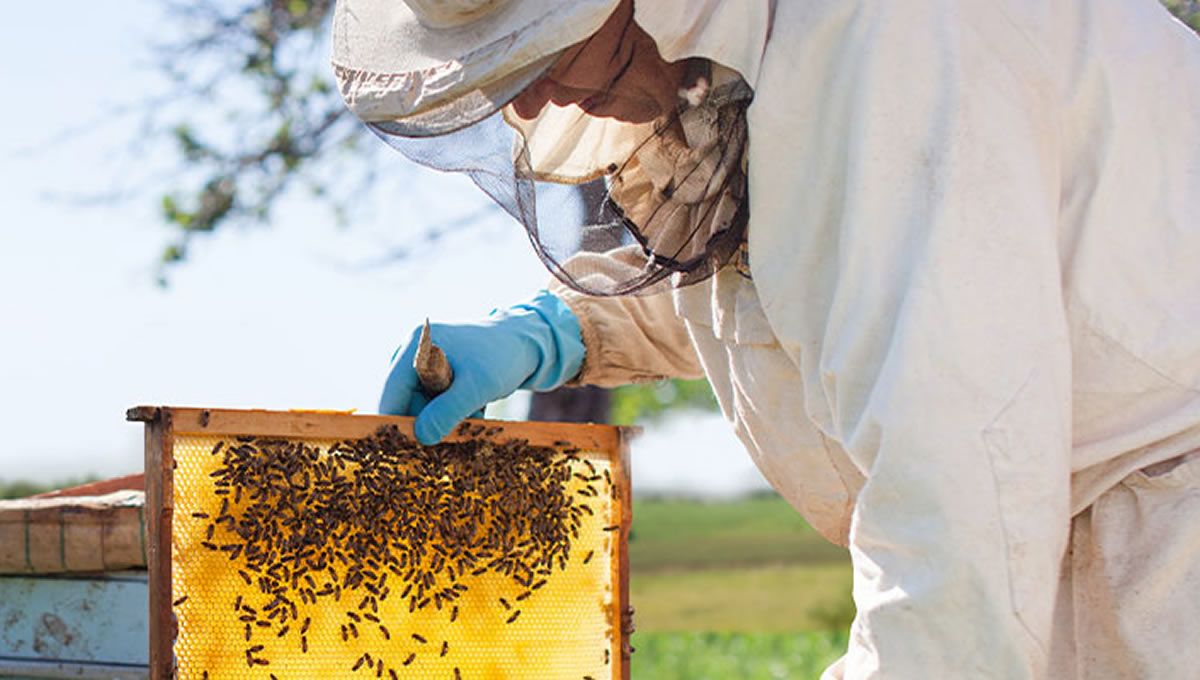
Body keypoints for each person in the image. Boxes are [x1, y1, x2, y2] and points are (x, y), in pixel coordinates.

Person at [332, 0, 1200, 677]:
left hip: (1163, 559)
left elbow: (960, 495)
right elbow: (804, 267)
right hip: (1056, 547)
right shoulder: (747, 61)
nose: (528, 95)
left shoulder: (894, 54)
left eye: (545, 42)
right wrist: (558, 328)